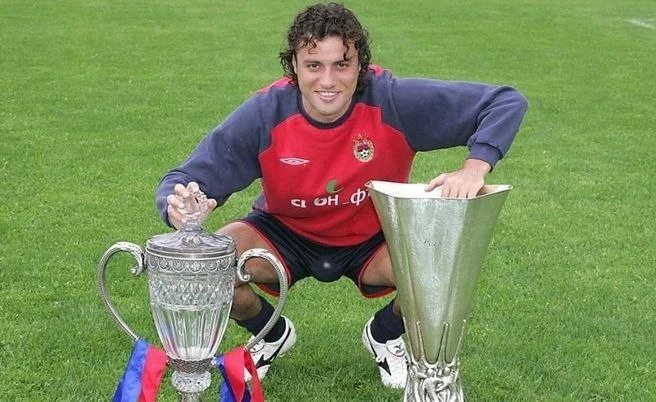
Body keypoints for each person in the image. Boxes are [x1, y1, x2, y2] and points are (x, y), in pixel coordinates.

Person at [156, 2, 527, 389]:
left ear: (360, 65)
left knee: (437, 269)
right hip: (284, 231)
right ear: (294, 66)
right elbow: (185, 179)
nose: (328, 80)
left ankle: (384, 334)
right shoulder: (266, 112)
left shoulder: (392, 100)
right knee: (207, 267)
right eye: (314, 65)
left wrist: (474, 167)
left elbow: (504, 101)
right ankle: (270, 333)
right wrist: (179, 205)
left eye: (342, 64)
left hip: (371, 235)